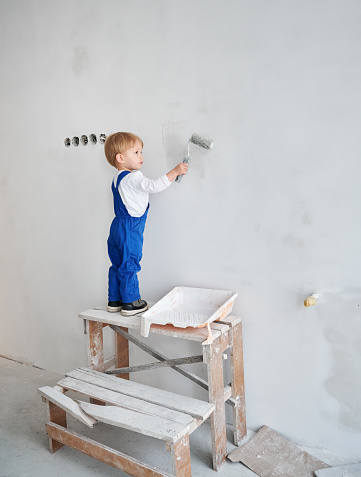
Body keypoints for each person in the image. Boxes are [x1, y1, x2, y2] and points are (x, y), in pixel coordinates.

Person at [104, 132, 188, 315]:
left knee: (117, 263)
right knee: (130, 262)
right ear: (121, 158)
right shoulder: (134, 177)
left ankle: (115, 299)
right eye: (136, 152)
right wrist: (175, 172)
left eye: (141, 152)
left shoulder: (117, 178)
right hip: (130, 227)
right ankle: (131, 301)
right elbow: (153, 186)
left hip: (117, 225)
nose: (141, 156)